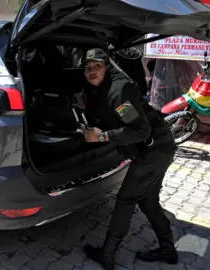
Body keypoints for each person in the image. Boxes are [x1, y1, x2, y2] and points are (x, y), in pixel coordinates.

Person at [79, 48, 178, 270]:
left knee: (125, 200)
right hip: (158, 148)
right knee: (148, 201)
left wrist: (102, 136)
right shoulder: (104, 88)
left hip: (154, 150)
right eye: (87, 68)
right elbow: (109, 111)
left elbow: (141, 131)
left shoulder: (119, 91)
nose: (92, 72)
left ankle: (108, 254)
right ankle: (168, 250)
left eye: (97, 66)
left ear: (107, 67)